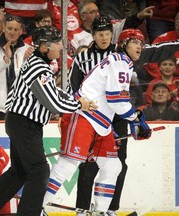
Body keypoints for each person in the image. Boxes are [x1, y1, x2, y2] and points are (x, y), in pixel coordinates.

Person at [69, 17, 179, 216]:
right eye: (99, 34)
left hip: (117, 117)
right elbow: (73, 88)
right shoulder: (82, 59)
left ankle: (110, 210)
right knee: (89, 163)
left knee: (119, 163)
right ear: (92, 35)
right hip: (92, 117)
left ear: (112, 35)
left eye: (107, 33)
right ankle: (82, 209)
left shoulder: (123, 52)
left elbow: (158, 50)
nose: (103, 37)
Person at [0, 26, 96, 216]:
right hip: (24, 123)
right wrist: (79, 104)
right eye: (57, 43)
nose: (61, 47)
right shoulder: (38, 67)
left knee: (20, 171)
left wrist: (74, 100)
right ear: (44, 46)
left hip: (22, 122)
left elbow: (53, 93)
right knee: (39, 170)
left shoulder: (38, 63)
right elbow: (52, 103)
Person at [42, 28, 152, 216]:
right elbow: (116, 100)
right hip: (83, 115)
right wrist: (136, 119)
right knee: (69, 163)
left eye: (141, 43)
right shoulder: (118, 62)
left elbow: (116, 101)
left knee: (113, 166)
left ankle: (101, 211)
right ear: (124, 44)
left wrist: (134, 118)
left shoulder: (123, 63)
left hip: (100, 122)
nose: (139, 47)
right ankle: (37, 207)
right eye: (135, 42)